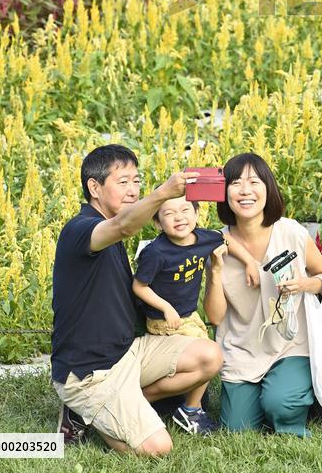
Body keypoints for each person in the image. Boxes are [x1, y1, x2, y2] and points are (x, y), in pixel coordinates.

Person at [51, 144, 223, 455]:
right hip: (91, 372)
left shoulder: (112, 225)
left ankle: (103, 410)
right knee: (158, 448)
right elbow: (123, 226)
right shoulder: (81, 229)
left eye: (137, 180)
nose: (133, 190)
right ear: (94, 187)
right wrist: (162, 194)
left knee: (210, 355)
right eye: (123, 181)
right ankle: (87, 411)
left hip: (128, 353)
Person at [204, 152, 322, 437]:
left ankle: (294, 397)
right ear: (225, 193)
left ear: (268, 188)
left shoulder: (291, 232)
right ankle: (275, 393)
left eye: (254, 182)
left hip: (291, 345)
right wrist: (214, 271)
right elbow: (214, 317)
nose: (245, 190)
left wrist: (304, 284)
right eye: (236, 183)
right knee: (237, 428)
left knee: (281, 407)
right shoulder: (217, 244)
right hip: (242, 349)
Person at [131, 194, 259, 430]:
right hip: (164, 319)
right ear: (157, 222)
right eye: (169, 214)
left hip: (188, 315)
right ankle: (190, 409)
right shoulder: (156, 252)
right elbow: (139, 286)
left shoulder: (204, 239)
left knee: (205, 356)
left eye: (185, 210)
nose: (179, 218)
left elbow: (227, 239)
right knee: (209, 355)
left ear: (197, 213)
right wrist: (165, 307)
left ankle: (185, 405)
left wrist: (249, 262)